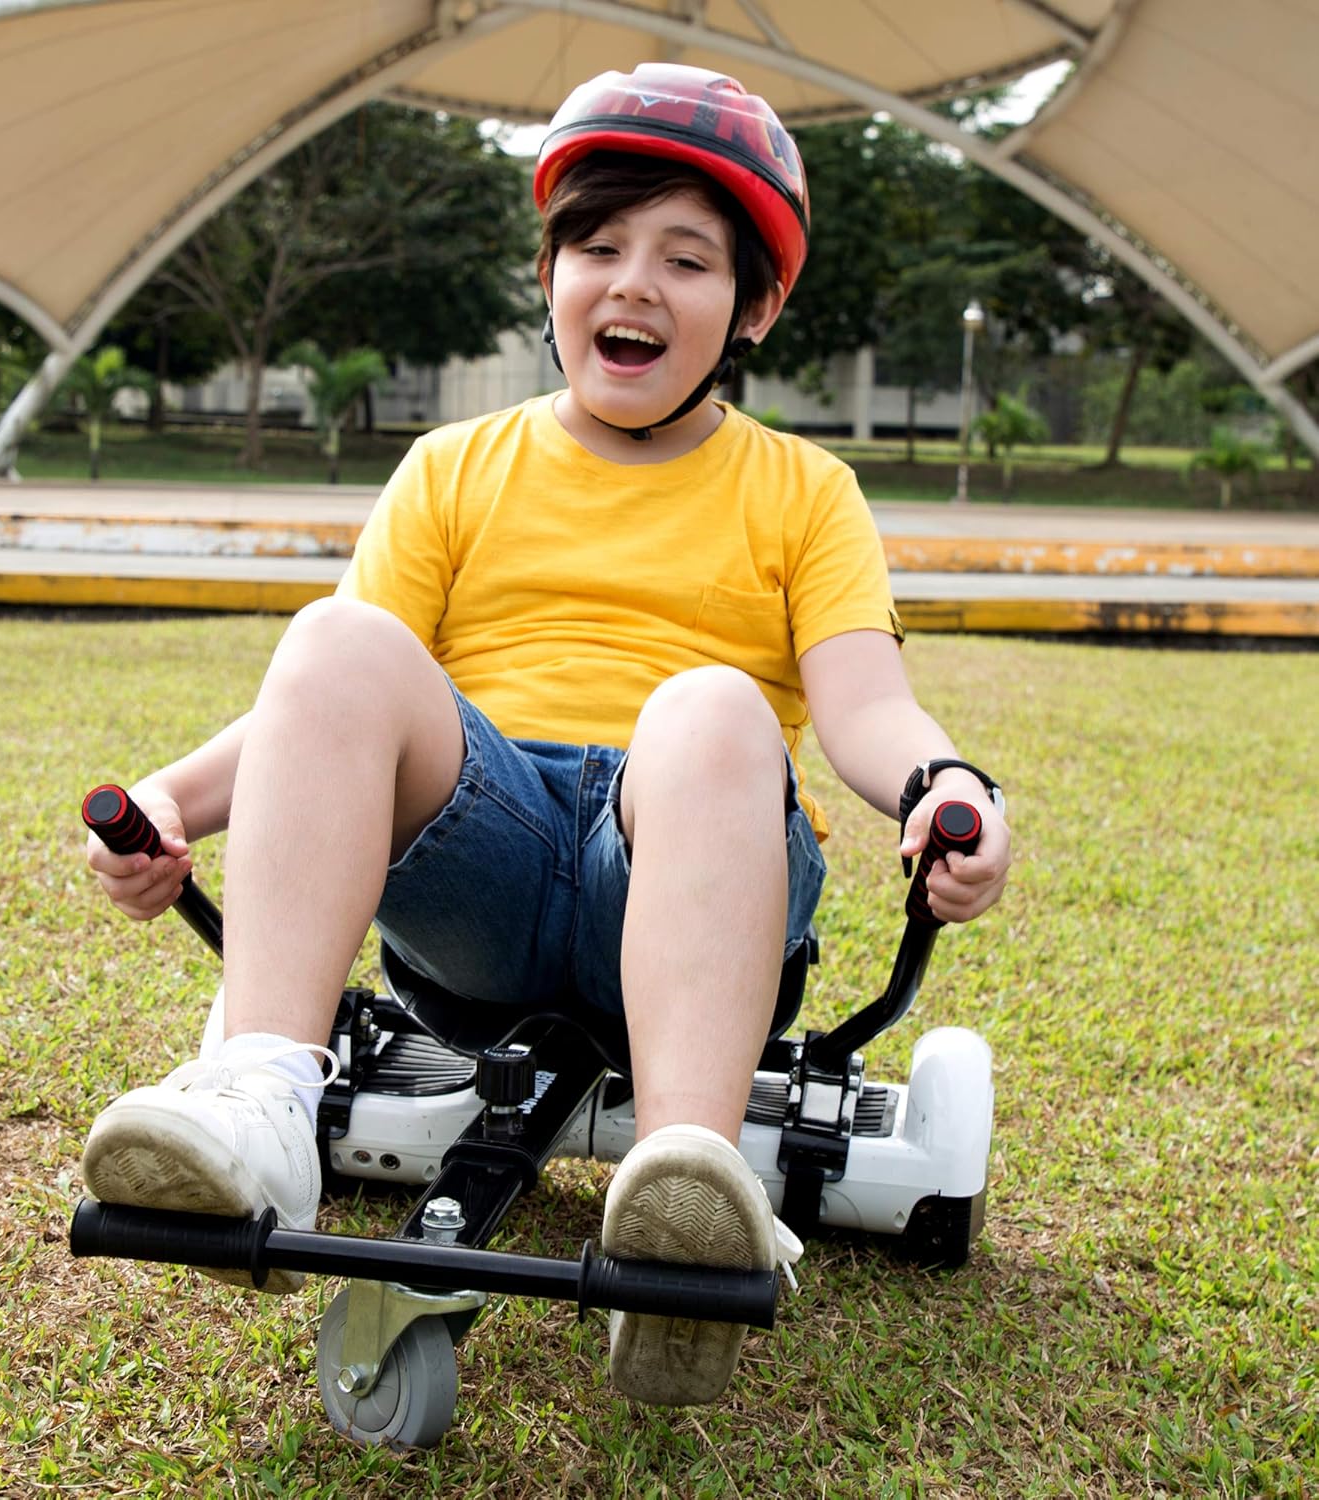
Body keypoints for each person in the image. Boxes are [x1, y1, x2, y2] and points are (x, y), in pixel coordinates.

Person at [81, 62, 1012, 1409]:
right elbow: (323, 715)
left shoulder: (805, 492)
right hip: (488, 864)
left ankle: (684, 1175)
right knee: (335, 637)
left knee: (708, 704)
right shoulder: (455, 469)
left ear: (753, 306)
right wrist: (169, 801)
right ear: (552, 274)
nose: (634, 283)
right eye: (599, 243)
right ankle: (261, 1097)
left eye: (687, 259)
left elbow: (866, 704)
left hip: (692, 856)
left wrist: (945, 786)